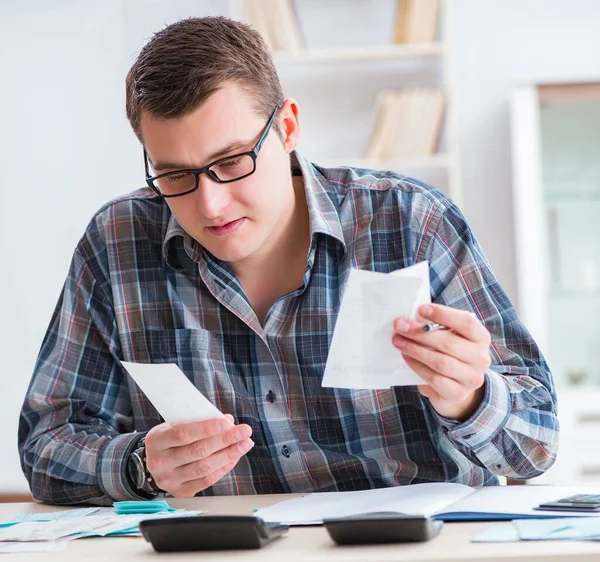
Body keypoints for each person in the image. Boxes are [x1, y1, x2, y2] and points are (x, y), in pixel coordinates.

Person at [19, 16, 558, 506]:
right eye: (175, 175)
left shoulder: (412, 221)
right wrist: (139, 466)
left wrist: (471, 397)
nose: (210, 204)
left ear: (288, 128)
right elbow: (47, 445)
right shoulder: (116, 243)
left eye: (231, 161)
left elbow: (538, 444)